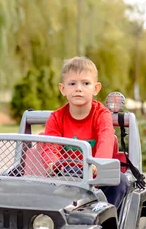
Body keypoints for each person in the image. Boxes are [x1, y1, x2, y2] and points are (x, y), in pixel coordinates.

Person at [42, 56, 129, 209]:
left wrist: (98, 163)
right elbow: (50, 145)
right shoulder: (56, 118)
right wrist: (51, 162)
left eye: (86, 83)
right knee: (39, 187)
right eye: (72, 83)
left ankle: (105, 217)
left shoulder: (101, 115)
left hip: (95, 176)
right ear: (63, 89)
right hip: (66, 175)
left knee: (120, 181)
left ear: (96, 88)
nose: (78, 88)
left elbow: (106, 139)